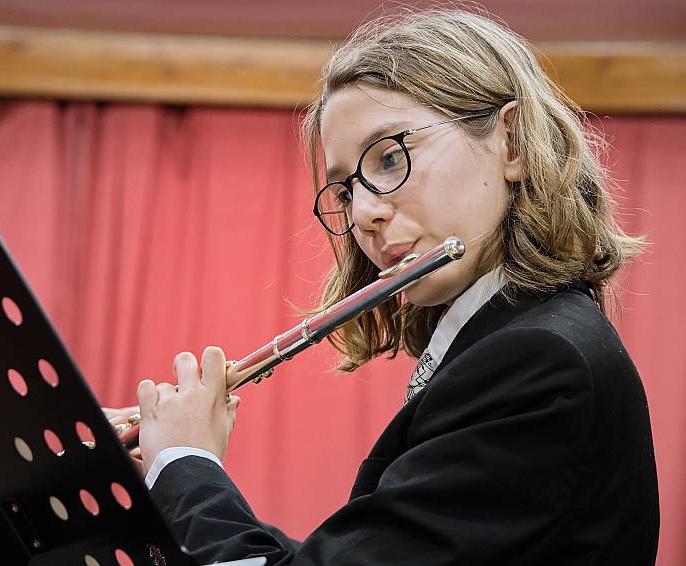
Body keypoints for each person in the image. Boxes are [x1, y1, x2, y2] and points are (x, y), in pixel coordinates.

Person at [108, 9, 659, 565]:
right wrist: (165, 478)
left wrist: (185, 463)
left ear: (510, 143)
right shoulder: (511, 348)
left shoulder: (538, 363)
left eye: (391, 157)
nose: (365, 212)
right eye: (345, 192)